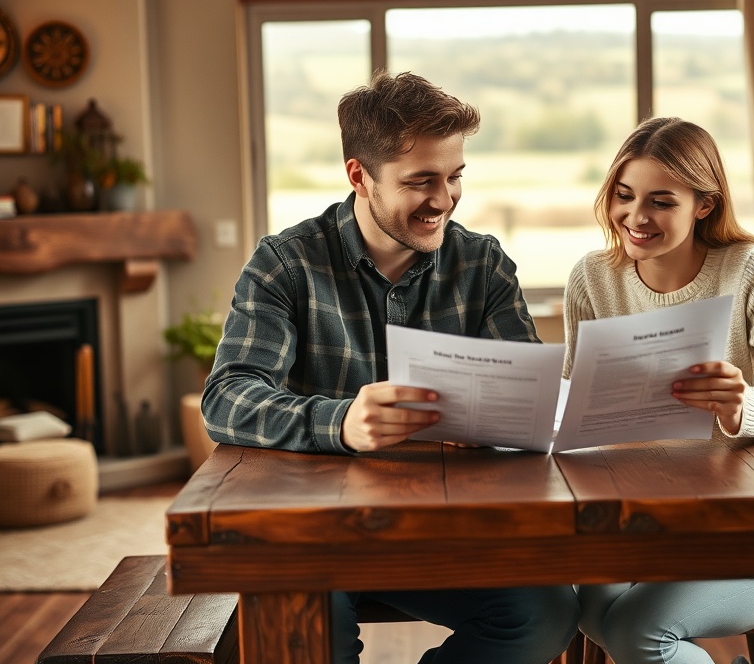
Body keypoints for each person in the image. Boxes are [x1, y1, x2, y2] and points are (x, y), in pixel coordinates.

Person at [202, 70, 579, 664]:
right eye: (421, 181)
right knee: (303, 633)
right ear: (359, 175)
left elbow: (530, 393)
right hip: (317, 533)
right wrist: (342, 423)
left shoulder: (482, 264)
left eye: (455, 177)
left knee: (543, 616)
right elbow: (226, 397)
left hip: (452, 530)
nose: (445, 199)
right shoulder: (286, 264)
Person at [563, 116, 754, 664]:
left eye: (661, 201)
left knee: (640, 633)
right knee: (583, 613)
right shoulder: (592, 277)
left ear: (704, 205)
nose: (636, 218)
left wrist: (743, 407)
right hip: (633, 524)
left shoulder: (749, 270)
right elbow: (575, 401)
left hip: (751, 527)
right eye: (624, 195)